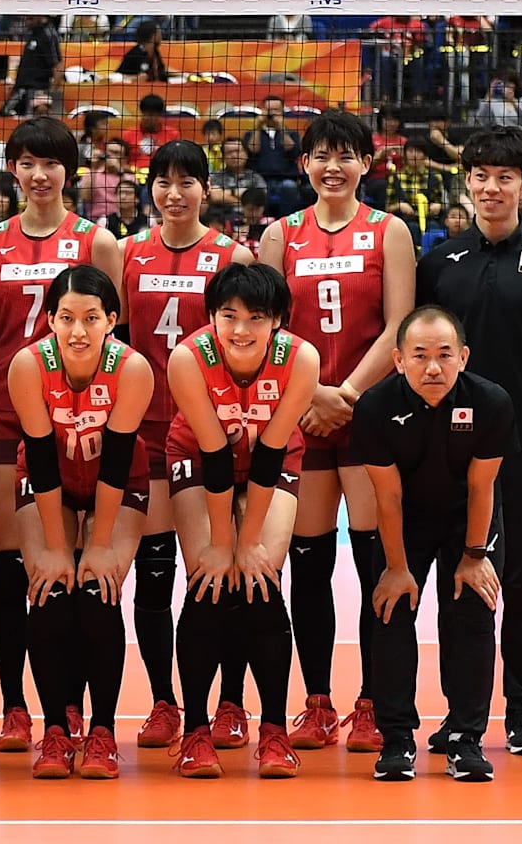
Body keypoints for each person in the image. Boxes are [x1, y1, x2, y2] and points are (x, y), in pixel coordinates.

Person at [417, 127, 522, 756]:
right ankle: (462, 714)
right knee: (459, 584)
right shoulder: (439, 264)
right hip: (449, 452)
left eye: (505, 177)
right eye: (481, 176)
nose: (491, 187)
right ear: (467, 181)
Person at [258, 110, 415, 752]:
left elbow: (400, 326)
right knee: (310, 565)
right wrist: (309, 396)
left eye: (345, 155)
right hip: (304, 416)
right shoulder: (279, 235)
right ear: (303, 165)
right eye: (321, 155)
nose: (332, 166)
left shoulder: (389, 231)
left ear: (365, 165)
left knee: (375, 561)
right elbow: (267, 327)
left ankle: (374, 702)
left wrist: (345, 394)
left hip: (368, 416)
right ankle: (318, 702)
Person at [0, 115, 124, 752]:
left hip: (80, 417)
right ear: (13, 168)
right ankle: (16, 707)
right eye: (28, 163)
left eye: (52, 164)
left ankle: (76, 711)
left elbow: (116, 334)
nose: (39, 175)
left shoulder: (97, 240)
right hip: (8, 415)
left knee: (82, 569)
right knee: (12, 568)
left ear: (70, 171)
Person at [117, 139, 253, 749]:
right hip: (146, 432)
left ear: (206, 188)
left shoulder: (232, 255)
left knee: (219, 572)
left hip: (215, 435)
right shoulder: (127, 252)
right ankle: (164, 702)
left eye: (187, 182)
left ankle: (229, 703)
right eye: (163, 182)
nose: (174, 194)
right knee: (154, 575)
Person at [163, 263, 318, 779]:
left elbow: (271, 452)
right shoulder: (188, 358)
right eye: (228, 316)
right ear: (211, 316)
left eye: (256, 317)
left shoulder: (301, 358)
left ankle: (274, 731)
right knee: (208, 581)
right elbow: (213, 455)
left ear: (277, 321)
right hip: (198, 455)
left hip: (271, 460)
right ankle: (195, 731)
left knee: (261, 580)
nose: (241, 329)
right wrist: (220, 544)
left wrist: (248, 543)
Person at [352, 306, 513, 784]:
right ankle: (397, 740)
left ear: (463, 357)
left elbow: (482, 487)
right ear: (398, 360)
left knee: (472, 611)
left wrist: (474, 556)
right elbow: (387, 496)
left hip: (469, 518)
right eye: (419, 355)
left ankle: (465, 739)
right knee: (390, 611)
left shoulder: (491, 402)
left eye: (444, 354)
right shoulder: (375, 407)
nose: (433, 367)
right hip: (406, 518)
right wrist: (397, 568)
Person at [10, 264, 154, 779]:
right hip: (47, 481)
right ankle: (54, 729)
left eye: (91, 318)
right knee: (49, 590)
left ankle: (102, 732)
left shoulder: (132, 369)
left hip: (117, 482)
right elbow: (41, 459)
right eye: (66, 317)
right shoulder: (28, 366)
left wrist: (98, 545)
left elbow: (116, 461)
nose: (77, 330)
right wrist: (56, 546)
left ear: (111, 320)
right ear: (50, 320)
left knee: (98, 589)